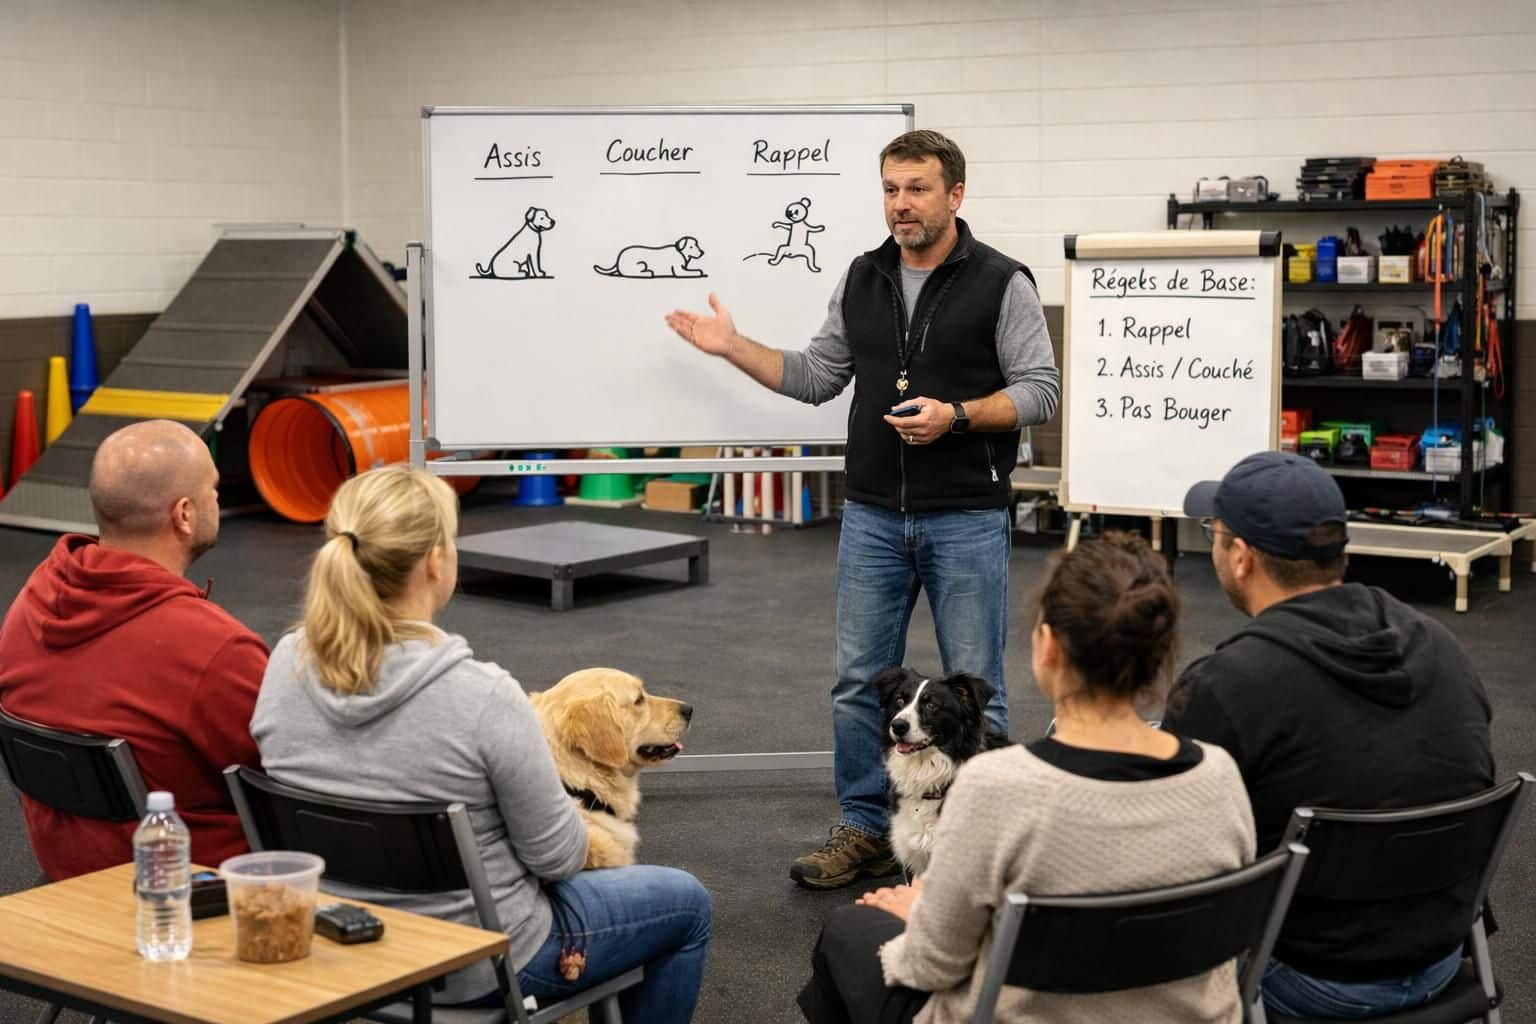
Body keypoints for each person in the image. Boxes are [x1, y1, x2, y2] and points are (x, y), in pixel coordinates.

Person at [666, 129, 1060, 889]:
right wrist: (731, 346)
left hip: (966, 513)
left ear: (955, 195)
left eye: (916, 188)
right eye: (889, 188)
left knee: (978, 682)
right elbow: (816, 376)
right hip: (875, 514)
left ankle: (977, 837)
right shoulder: (863, 277)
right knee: (856, 682)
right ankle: (864, 828)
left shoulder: (1001, 281)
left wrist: (958, 415)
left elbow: (1040, 390)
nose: (901, 204)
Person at [251, 464, 710, 1020]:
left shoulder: (282, 666)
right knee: (687, 903)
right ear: (435, 562)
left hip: (336, 945)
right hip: (474, 966)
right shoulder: (485, 696)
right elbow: (560, 856)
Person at [798, 532, 1255, 1024]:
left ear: (1048, 649)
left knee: (848, 928)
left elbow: (932, 963)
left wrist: (911, 912)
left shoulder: (993, 787)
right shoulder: (1220, 775)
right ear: (1160, 656)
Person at [1166, 450, 1495, 1019]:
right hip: (1445, 955)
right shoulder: (1442, 645)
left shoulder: (1224, 687)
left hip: (1308, 977)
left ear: (1241, 558)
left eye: (1214, 533)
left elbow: (1177, 859)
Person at [0, 419, 267, 879]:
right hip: (190, 894)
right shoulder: (216, 650)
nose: (217, 499)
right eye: (213, 489)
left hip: (66, 881)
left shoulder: (29, 604)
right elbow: (289, 776)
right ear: (183, 514)